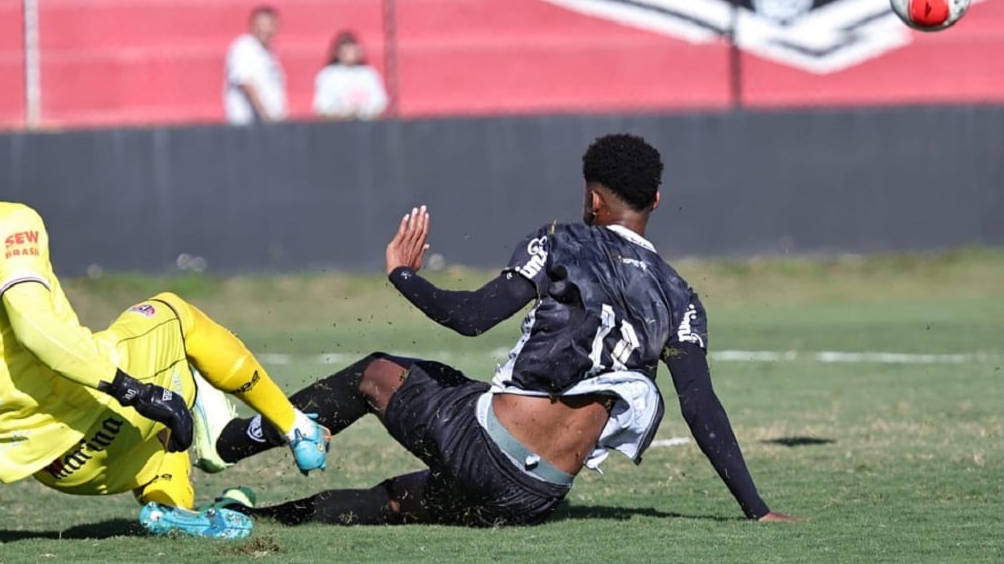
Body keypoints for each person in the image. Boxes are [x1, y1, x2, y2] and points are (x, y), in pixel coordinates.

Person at [195, 133, 801, 526]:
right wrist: (757, 510)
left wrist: (403, 276)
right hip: (538, 497)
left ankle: (227, 444)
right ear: (657, 201)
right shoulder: (682, 297)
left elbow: (471, 318)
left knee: (376, 373)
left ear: (593, 199)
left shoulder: (561, 239)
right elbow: (702, 406)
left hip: (487, 450)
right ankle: (261, 516)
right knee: (401, 498)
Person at [0, 86, 330, 546]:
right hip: (97, 414)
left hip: (55, 469)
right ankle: (297, 428)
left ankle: (172, 508)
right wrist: (135, 392)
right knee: (174, 314)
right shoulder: (4, 223)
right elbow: (36, 328)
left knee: (162, 434)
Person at [224, 6, 286, 126]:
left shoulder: (269, 54)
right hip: (250, 126)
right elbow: (247, 84)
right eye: (261, 25)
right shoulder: (244, 48)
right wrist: (267, 117)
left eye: (269, 25)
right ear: (252, 26)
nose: (265, 29)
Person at [312, 31, 389, 120]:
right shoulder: (328, 75)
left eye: (353, 50)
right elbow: (322, 108)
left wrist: (361, 112)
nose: (349, 54)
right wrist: (345, 114)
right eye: (346, 50)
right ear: (337, 53)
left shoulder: (368, 74)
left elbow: (380, 104)